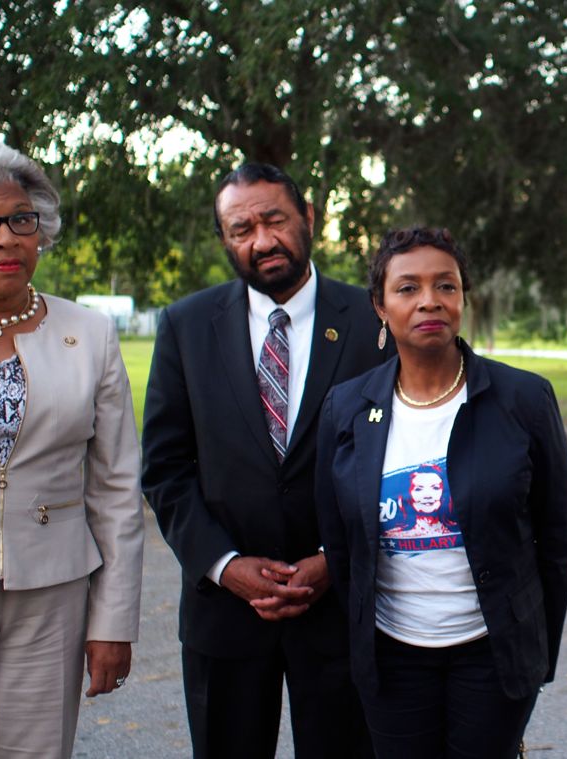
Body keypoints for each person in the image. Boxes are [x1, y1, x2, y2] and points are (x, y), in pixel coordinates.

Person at [0, 138, 144, 757]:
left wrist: (113, 621)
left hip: (54, 592)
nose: (6, 238)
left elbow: (117, 489)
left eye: (20, 219)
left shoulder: (88, 333)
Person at [141, 163, 384, 758]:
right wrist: (225, 565)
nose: (262, 240)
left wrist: (334, 559)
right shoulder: (185, 325)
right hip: (224, 615)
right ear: (226, 240)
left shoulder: (376, 321)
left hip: (342, 609)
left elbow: (403, 457)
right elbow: (165, 467)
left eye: (274, 219)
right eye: (240, 228)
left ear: (308, 217)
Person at [314, 226, 567, 758]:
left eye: (446, 285)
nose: (429, 300)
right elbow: (340, 542)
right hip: (392, 659)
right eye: (408, 288)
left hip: (492, 656)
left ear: (463, 297)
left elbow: (558, 537)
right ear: (380, 307)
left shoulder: (523, 399)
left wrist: (533, 648)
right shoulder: (345, 408)